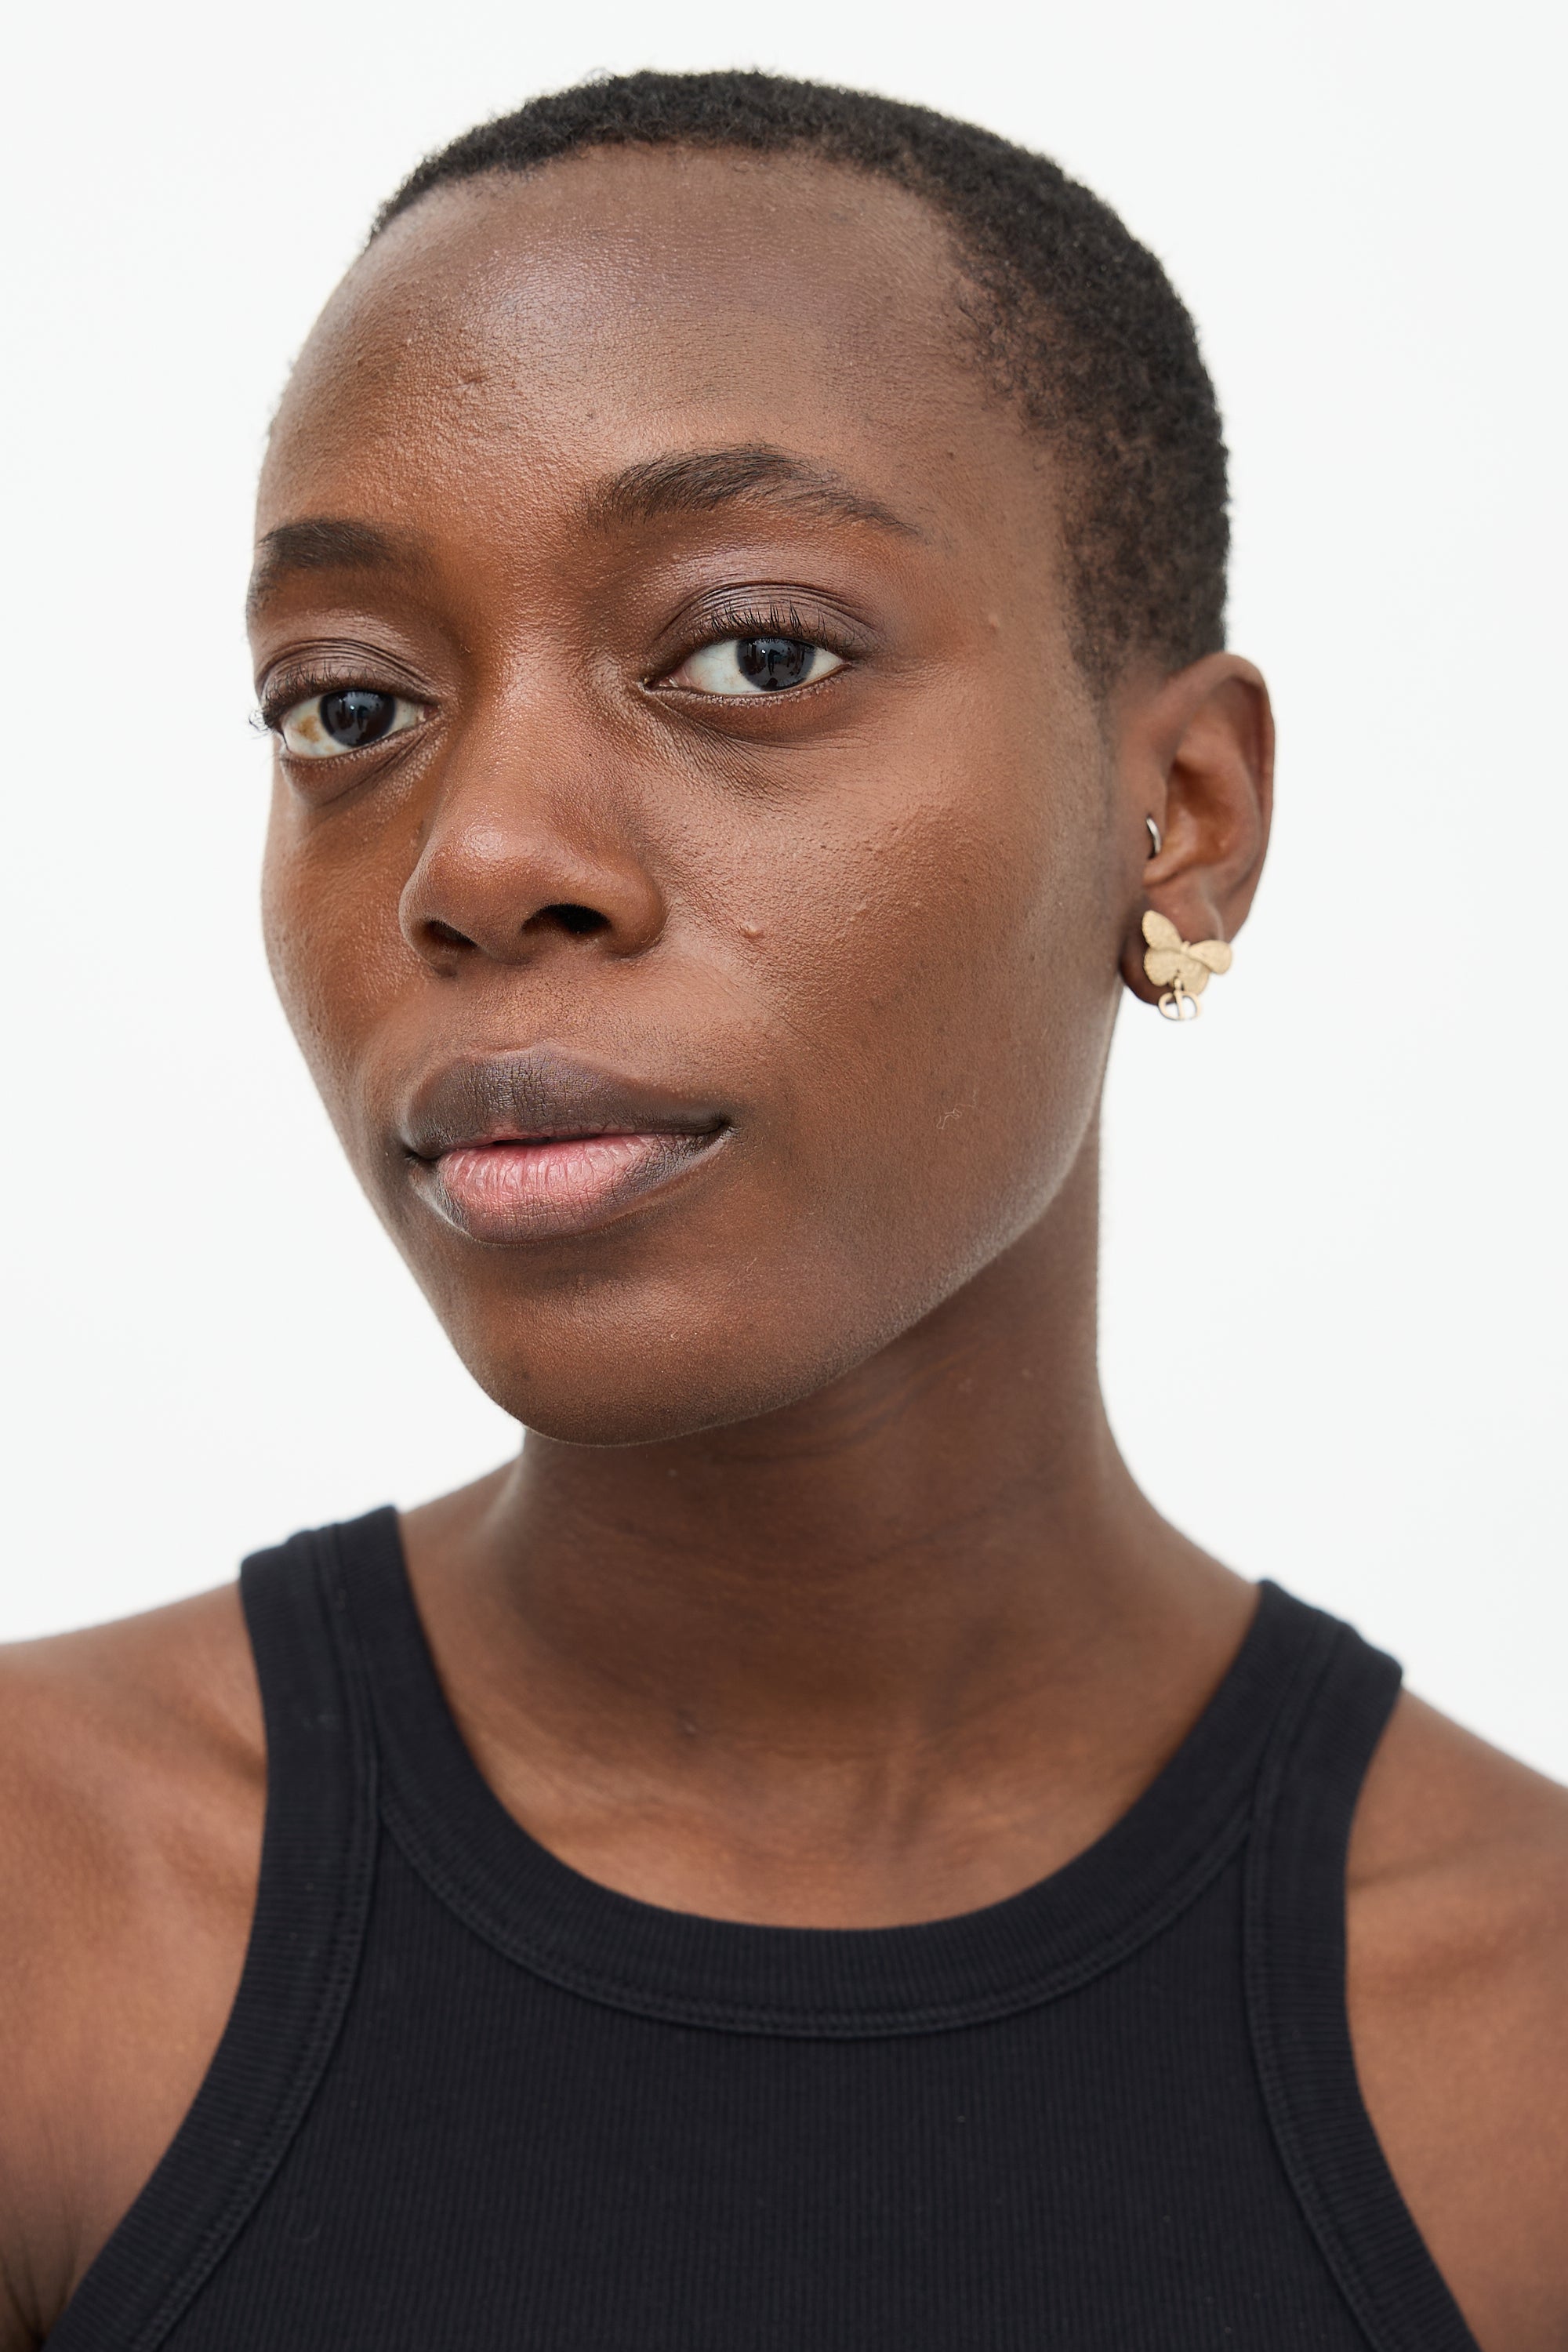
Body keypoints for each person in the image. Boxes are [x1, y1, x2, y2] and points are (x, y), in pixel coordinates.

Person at [1, 67, 1563, 2352]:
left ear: (1183, 815)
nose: (479, 860)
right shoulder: (49, 1907)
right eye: (348, 706)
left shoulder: (1524, 2067)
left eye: (756, 655)